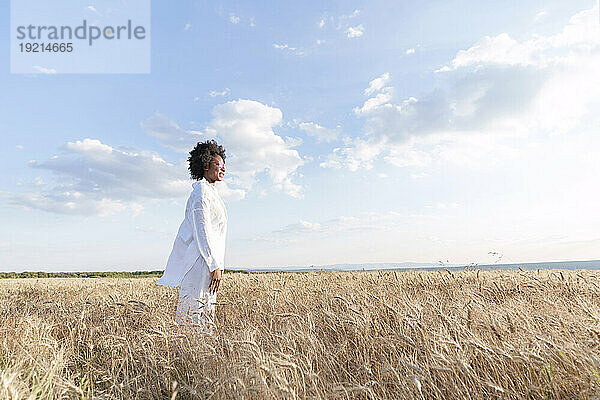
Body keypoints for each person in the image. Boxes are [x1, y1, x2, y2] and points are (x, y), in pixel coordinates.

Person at [156, 139, 228, 336]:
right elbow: (202, 230)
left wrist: (217, 264)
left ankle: (202, 356)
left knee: (205, 310)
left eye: (224, 165)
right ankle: (188, 355)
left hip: (208, 262)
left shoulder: (210, 192)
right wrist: (214, 264)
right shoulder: (201, 193)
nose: (223, 169)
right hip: (200, 262)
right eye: (218, 165)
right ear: (205, 165)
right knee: (194, 310)